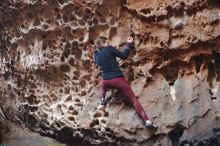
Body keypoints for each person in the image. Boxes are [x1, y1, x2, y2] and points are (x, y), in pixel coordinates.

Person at [92, 36, 157, 129]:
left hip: (106, 81)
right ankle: (147, 121)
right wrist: (129, 44)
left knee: (102, 83)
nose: (109, 44)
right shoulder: (109, 49)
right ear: (103, 43)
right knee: (133, 100)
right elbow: (124, 56)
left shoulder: (96, 55)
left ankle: (102, 100)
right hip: (117, 80)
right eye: (107, 42)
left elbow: (100, 63)